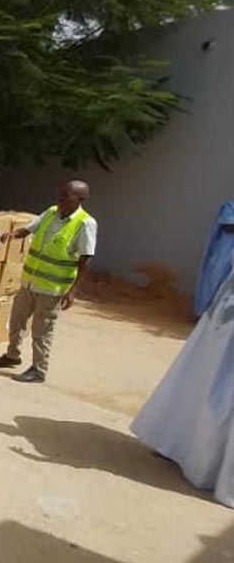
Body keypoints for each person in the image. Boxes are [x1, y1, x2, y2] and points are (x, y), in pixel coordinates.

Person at [131, 214, 234, 508]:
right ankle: (178, 446)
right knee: (197, 383)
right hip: (220, 326)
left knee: (222, 399)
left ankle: (209, 466)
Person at [0, 181, 97, 383]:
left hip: (52, 289)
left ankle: (39, 369)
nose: (61, 197)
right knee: (16, 321)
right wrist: (13, 234)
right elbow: (29, 229)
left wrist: (73, 291)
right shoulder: (51, 213)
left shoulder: (85, 224)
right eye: (61, 193)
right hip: (30, 282)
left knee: (42, 330)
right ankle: (12, 355)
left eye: (67, 195)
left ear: (80, 199)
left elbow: (85, 259)